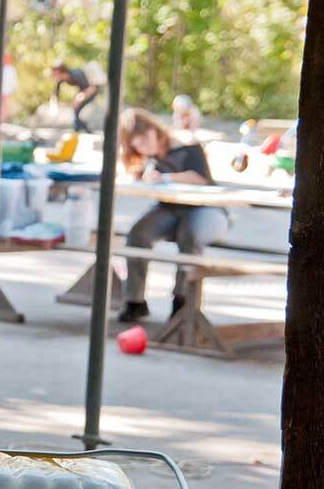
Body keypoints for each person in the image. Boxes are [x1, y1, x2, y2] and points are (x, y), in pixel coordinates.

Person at [116, 108, 228, 323]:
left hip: (206, 208)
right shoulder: (152, 157)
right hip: (170, 208)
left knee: (190, 235)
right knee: (138, 234)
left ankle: (182, 301)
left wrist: (166, 178)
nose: (141, 149)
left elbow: (200, 178)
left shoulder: (186, 144)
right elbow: (138, 173)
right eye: (135, 146)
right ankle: (135, 300)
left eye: (140, 142)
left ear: (150, 131)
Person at [51, 61, 103, 132]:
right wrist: (54, 105)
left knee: (79, 108)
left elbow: (92, 88)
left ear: (61, 72)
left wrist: (79, 99)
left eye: (55, 73)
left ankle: (81, 129)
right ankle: (80, 128)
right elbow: (56, 93)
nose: (54, 75)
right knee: (76, 108)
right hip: (84, 90)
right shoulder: (61, 79)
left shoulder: (76, 74)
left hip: (92, 89)